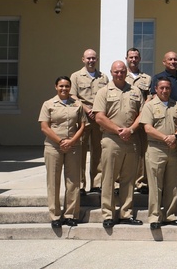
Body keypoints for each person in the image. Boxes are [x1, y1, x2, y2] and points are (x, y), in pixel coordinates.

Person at [93, 60, 145, 227]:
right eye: (116, 72)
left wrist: (130, 130)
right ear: (111, 72)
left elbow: (142, 114)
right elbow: (99, 117)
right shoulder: (103, 92)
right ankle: (108, 214)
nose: (120, 74)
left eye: (122, 71)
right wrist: (118, 130)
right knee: (108, 178)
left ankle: (126, 213)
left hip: (131, 140)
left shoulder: (135, 91)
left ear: (126, 71)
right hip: (111, 140)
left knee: (128, 179)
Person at [38, 76, 85, 229]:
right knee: (53, 181)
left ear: (70, 87)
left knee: (73, 181)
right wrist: (60, 141)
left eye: (66, 86)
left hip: (73, 146)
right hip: (53, 147)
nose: (64, 89)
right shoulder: (48, 104)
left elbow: (82, 126)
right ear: (56, 87)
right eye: (61, 86)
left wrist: (71, 141)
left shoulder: (77, 104)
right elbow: (45, 127)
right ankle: (55, 215)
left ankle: (71, 214)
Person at [139, 77, 177, 230]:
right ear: (156, 89)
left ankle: (170, 215)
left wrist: (175, 136)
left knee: (172, 185)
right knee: (155, 185)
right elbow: (148, 128)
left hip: (173, 149)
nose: (165, 91)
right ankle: (155, 217)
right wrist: (166, 137)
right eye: (162, 88)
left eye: (167, 88)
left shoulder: (176, 106)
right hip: (156, 149)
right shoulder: (149, 106)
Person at [69, 48, 108, 194]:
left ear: (97, 59)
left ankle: (96, 184)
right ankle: (80, 185)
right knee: (80, 151)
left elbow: (106, 96)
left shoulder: (103, 77)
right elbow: (72, 95)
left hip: (98, 118)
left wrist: (98, 111)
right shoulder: (76, 76)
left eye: (93, 58)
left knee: (98, 151)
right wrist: (86, 109)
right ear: (83, 59)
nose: (91, 60)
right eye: (88, 58)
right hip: (83, 118)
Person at [126, 47, 153, 195]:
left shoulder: (146, 78)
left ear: (139, 59)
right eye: (131, 57)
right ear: (126, 58)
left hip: (142, 120)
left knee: (142, 151)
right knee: (125, 151)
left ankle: (141, 181)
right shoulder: (122, 76)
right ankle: (121, 181)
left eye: (136, 57)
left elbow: (149, 97)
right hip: (127, 119)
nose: (133, 60)